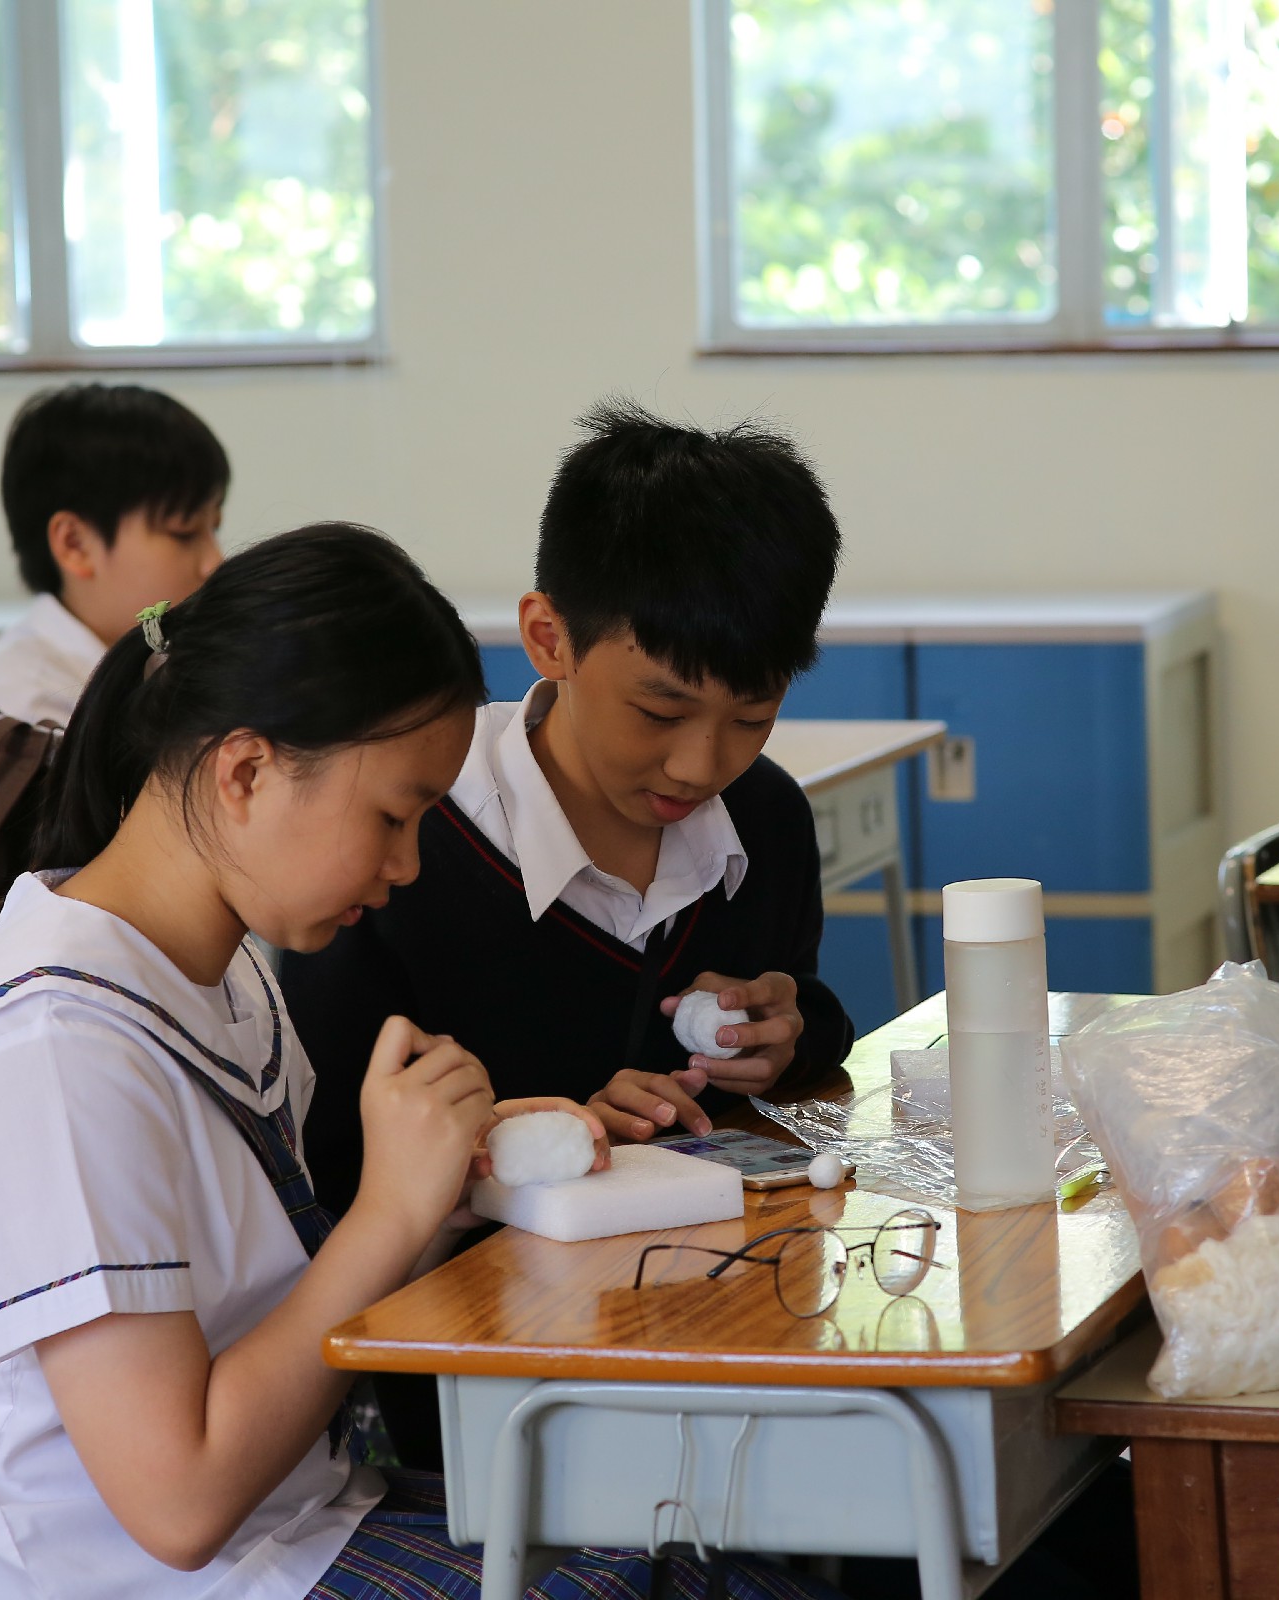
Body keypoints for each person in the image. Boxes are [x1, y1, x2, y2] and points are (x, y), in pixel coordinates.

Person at [0, 524, 834, 1600]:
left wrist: (451, 1185)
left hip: (299, 1522)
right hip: (167, 1578)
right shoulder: (48, 1054)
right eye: (393, 817)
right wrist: (390, 1215)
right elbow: (179, 1504)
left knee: (713, 1549)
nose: (407, 865)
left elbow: (273, 1319)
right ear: (247, 770)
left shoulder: (220, 978)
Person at [279, 400, 855, 1223]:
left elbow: (806, 1019)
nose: (700, 766)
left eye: (752, 718)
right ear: (550, 638)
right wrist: (542, 1146)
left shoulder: (765, 818)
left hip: (720, 1269)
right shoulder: (405, 846)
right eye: (658, 712)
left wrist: (789, 1034)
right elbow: (326, 1166)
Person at [0, 383, 230, 726]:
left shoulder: (159, 662)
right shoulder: (26, 714)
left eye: (213, 528)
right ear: (75, 545)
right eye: (183, 532)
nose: (215, 562)